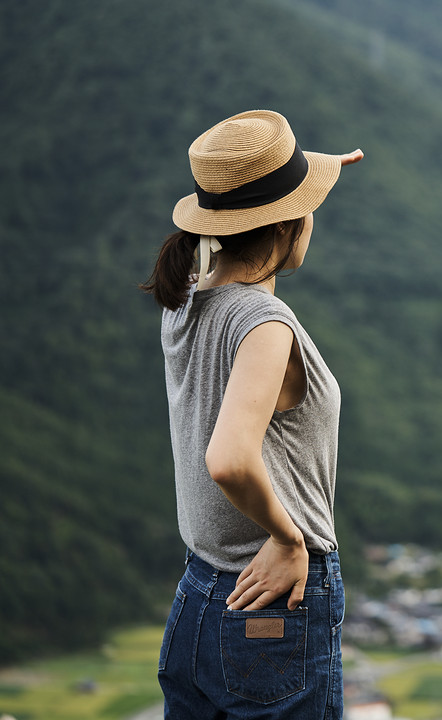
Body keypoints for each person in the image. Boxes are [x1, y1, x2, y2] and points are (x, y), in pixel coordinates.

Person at [141, 109, 363, 719]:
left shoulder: (184, 299)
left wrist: (303, 173)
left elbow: (243, 217)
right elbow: (230, 458)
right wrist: (289, 538)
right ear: (292, 222)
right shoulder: (265, 328)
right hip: (274, 603)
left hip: (199, 597)